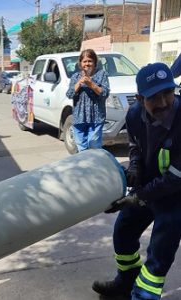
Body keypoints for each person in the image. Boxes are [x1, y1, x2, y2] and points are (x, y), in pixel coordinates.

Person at [92, 62, 181, 300]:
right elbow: (135, 148)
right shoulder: (133, 115)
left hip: (176, 196)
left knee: (159, 253)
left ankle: (143, 296)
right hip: (149, 186)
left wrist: (137, 196)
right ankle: (126, 281)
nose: (163, 103)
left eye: (168, 93)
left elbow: (175, 178)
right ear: (140, 99)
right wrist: (132, 170)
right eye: (154, 97)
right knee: (123, 232)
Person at [66, 49, 110, 152]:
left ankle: (96, 167)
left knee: (94, 146)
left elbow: (105, 93)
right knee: (82, 148)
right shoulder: (75, 76)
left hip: (96, 117)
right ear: (80, 63)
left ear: (95, 62)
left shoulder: (102, 74)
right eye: (84, 61)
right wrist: (79, 83)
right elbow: (69, 94)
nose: (87, 64)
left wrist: (91, 84)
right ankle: (85, 167)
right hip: (79, 118)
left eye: (90, 61)